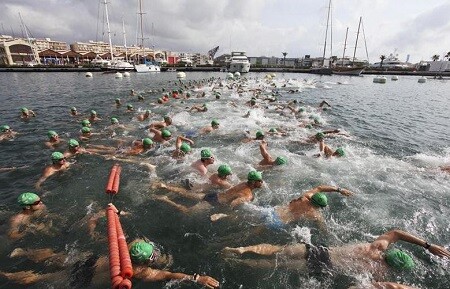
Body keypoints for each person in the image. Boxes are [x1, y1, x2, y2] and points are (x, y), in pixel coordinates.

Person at [1, 206, 220, 288]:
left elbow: (119, 234)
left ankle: (24, 252)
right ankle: (6, 275)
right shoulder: (139, 271)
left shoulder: (128, 246)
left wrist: (114, 213)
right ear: (144, 261)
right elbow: (168, 275)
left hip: (89, 261)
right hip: (84, 279)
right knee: (39, 279)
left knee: (55, 256)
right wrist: (196, 278)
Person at [222, 229, 450, 282]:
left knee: (278, 249)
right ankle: (240, 261)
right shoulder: (379, 273)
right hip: (322, 267)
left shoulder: (375, 247)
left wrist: (427, 245)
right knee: (277, 266)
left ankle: (241, 250)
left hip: (318, 251)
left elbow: (398, 232)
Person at [154, 170, 264, 212]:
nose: (262, 182)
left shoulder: (244, 182)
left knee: (186, 193)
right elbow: (233, 204)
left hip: (214, 195)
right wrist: (225, 213)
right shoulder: (248, 195)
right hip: (214, 202)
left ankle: (164, 186)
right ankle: (166, 200)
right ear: (254, 182)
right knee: (187, 212)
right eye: (260, 180)